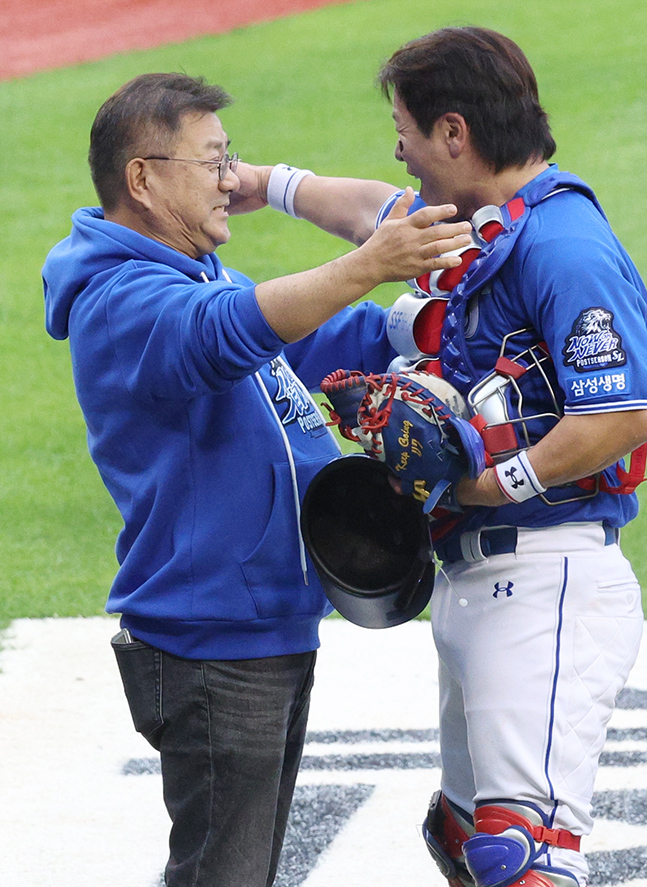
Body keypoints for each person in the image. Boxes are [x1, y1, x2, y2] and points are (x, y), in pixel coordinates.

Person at [236, 25, 647, 887]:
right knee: (463, 841)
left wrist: (495, 480)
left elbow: (622, 413)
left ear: (454, 133)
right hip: (478, 585)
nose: (400, 150)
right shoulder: (492, 224)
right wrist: (260, 185)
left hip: (546, 582)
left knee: (520, 860)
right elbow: (373, 211)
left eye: (408, 131)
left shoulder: (563, 246)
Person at [41, 73, 472, 887]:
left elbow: (312, 339)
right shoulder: (122, 296)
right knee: (222, 876)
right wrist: (369, 261)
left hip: (260, 621)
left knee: (242, 872)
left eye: (229, 159)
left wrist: (425, 324)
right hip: (210, 634)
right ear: (143, 177)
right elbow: (230, 333)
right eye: (211, 161)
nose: (230, 180)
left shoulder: (192, 273)